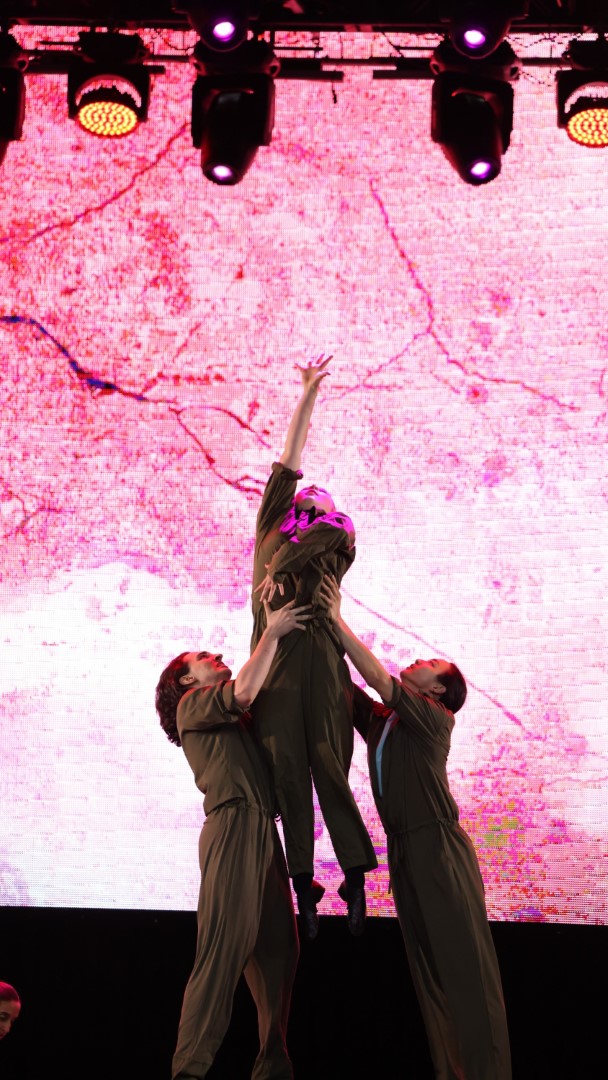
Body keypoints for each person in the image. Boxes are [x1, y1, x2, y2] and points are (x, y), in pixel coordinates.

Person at [319, 574, 512, 1080]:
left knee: (466, 972)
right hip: (405, 852)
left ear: (439, 689)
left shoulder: (435, 719)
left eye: (429, 664)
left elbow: (377, 679)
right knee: (430, 977)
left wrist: (336, 618)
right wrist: (318, 631)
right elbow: (349, 687)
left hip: (438, 847)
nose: (417, 662)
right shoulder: (387, 720)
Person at [156, 598, 312, 1080]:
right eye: (204, 658)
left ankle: (272, 1067)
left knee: (279, 951)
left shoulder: (233, 718)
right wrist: (273, 632)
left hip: (262, 830)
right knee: (223, 949)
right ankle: (189, 1070)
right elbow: (244, 691)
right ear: (186, 681)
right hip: (233, 826)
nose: (217, 656)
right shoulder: (193, 705)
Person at [251, 356, 377, 940]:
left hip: (324, 667)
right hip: (276, 669)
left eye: (322, 498)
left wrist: (280, 566)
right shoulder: (271, 526)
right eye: (306, 494)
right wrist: (306, 393)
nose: (314, 495)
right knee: (289, 778)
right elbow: (289, 458)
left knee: (329, 768)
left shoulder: (335, 535)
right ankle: (303, 887)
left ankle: (355, 880)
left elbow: (339, 530)